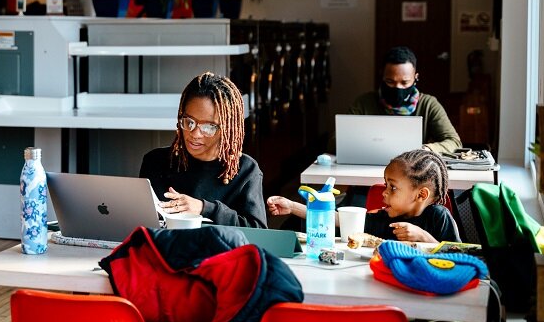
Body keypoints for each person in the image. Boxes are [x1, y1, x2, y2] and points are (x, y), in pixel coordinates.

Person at [139, 72, 267, 228]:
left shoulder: (246, 170)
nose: (195, 134)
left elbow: (258, 231)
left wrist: (204, 208)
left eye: (208, 127)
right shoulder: (155, 161)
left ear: (227, 129)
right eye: (189, 121)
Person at [267, 149, 460, 243]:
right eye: (386, 185)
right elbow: (335, 218)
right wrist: (291, 206)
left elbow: (461, 258)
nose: (384, 192)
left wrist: (424, 237)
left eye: (392, 188)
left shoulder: (439, 218)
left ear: (421, 195)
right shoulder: (385, 218)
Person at [346, 46, 462, 155]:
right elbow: (336, 141)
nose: (398, 88)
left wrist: (425, 149)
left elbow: (454, 142)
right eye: (390, 81)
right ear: (382, 76)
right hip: (368, 168)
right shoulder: (364, 103)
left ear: (416, 78)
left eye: (405, 82)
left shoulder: (428, 104)